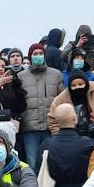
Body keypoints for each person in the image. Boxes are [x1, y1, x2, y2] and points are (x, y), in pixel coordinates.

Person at [18, 42, 64, 171]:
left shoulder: (56, 74)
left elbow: (62, 99)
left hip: (50, 125)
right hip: (30, 127)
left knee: (50, 163)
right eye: (35, 54)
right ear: (30, 56)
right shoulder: (21, 76)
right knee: (32, 163)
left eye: (40, 53)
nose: (38, 56)